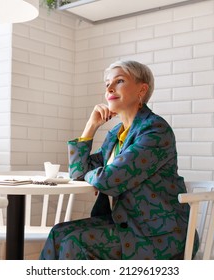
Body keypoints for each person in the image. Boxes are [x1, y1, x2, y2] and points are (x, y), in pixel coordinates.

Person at [39, 60, 198, 260]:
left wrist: (96, 176)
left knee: (74, 241)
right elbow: (79, 172)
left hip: (158, 234)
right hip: (127, 224)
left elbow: (107, 181)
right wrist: (91, 126)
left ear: (142, 90)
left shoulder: (155, 130)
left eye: (119, 81)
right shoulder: (117, 133)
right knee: (58, 233)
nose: (110, 88)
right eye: (107, 84)